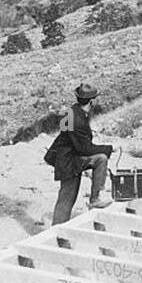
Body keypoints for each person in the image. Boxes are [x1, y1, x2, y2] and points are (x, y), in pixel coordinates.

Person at [44, 82, 114, 224]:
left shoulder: (76, 111)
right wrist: (110, 148)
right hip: (68, 161)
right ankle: (58, 232)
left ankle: (94, 199)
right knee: (67, 197)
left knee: (67, 197)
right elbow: (85, 149)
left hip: (71, 155)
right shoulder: (78, 120)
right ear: (92, 101)